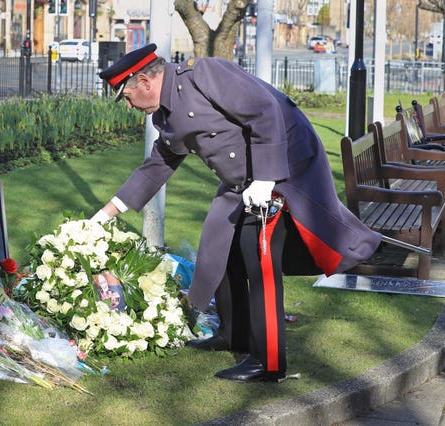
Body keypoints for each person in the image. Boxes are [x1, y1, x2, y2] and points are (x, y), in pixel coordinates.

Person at [92, 44, 381, 383]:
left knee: (257, 253)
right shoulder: (165, 115)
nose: (128, 106)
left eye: (126, 97)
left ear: (143, 81)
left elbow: (265, 110)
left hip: (283, 167)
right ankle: (235, 334)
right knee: (221, 246)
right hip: (243, 181)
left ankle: (269, 361)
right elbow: (158, 165)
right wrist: (106, 213)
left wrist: (265, 178)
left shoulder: (203, 73)